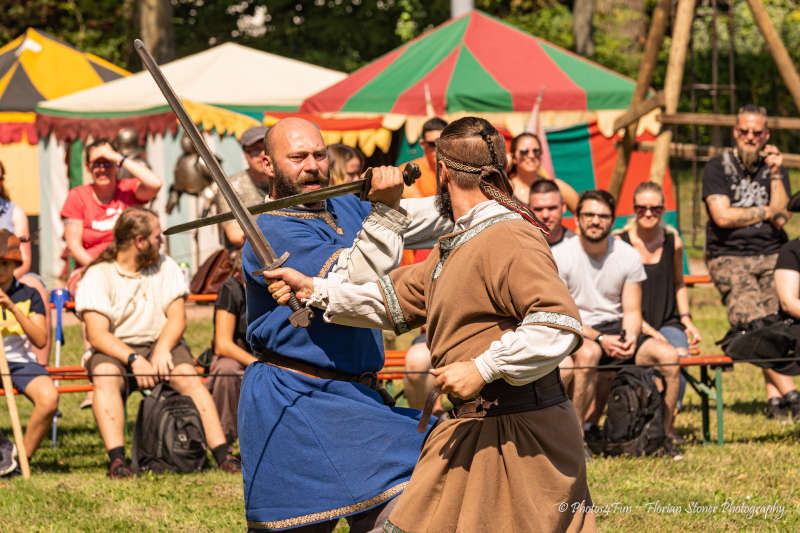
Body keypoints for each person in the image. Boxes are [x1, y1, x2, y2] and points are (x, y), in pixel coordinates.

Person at [265, 117, 594, 532]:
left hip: (525, 435)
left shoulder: (510, 236)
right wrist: (312, 288)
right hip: (470, 431)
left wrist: (482, 368)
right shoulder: (458, 243)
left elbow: (558, 323)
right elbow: (391, 300)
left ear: (441, 171)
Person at [237, 117, 451, 532]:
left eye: (319, 154)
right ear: (267, 163)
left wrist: (476, 194)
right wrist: (386, 209)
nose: (313, 165)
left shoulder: (347, 205)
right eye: (298, 157)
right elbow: (354, 278)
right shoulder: (269, 229)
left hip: (355, 399)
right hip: (295, 398)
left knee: (416, 494)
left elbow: (423, 219)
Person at [74, 207, 240, 478]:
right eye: (156, 237)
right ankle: (117, 461)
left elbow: (177, 318)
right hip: (116, 349)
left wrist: (162, 349)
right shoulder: (98, 274)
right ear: (140, 242)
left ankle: (223, 455)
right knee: (105, 375)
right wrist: (134, 359)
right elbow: (98, 334)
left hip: (161, 342)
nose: (161, 241)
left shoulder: (166, 266)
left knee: (187, 376)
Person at [552, 190, 681, 443]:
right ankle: (577, 439)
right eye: (589, 215)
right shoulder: (561, 256)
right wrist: (600, 339)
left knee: (669, 357)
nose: (595, 221)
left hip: (617, 329)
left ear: (613, 221)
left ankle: (663, 435)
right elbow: (564, 315)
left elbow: (632, 310)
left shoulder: (627, 255)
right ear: (577, 219)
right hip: (579, 329)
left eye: (603, 216)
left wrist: (631, 337)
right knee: (589, 354)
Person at [702, 104, 793, 419]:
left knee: (781, 323)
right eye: (745, 131)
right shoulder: (716, 167)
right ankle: (792, 393)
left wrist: (778, 174)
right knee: (755, 323)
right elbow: (722, 217)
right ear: (735, 133)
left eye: (757, 132)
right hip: (729, 255)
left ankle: (774, 400)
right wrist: (764, 212)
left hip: (772, 253)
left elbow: (781, 217)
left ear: (766, 135)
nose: (751, 137)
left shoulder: (775, 169)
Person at [617, 182, 702, 421]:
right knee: (658, 354)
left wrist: (687, 320)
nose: (648, 213)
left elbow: (678, 283)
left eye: (655, 208)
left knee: (679, 354)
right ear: (633, 209)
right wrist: (647, 330)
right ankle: (647, 418)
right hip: (632, 321)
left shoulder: (673, 242)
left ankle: (668, 420)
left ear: (663, 210)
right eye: (641, 207)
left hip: (668, 320)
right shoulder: (620, 244)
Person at [61, 137, 163, 287]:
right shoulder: (77, 196)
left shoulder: (128, 189)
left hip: (131, 267)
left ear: (116, 166)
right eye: (96, 163)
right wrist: (103, 270)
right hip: (90, 269)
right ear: (88, 167)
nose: (102, 169)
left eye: (107, 163)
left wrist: (117, 158)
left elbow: (155, 184)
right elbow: (74, 247)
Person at [0, 230, 57, 474]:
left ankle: (20, 458)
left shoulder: (29, 294)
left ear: (15, 264)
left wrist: (12, 308)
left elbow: (41, 339)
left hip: (21, 362)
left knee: (49, 398)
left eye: (4, 264)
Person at [0, 159, 52, 364]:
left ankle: (40, 367)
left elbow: (25, 258)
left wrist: (5, 281)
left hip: (11, 274)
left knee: (35, 286)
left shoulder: (15, 212)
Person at [204, 252, 254, 444]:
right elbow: (222, 345)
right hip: (236, 355)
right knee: (227, 371)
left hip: (265, 353)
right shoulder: (230, 289)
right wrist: (256, 363)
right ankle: (225, 439)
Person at [215, 125, 271, 248]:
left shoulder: (286, 181)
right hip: (247, 253)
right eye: (256, 150)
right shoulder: (231, 186)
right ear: (245, 153)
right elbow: (234, 234)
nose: (263, 155)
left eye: (267, 149)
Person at [508, 132, 579, 212]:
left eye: (536, 151)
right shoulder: (505, 187)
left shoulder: (557, 187)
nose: (531, 156)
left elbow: (582, 213)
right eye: (524, 152)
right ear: (513, 157)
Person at [402, 117, 447, 199]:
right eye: (432, 144)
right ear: (423, 144)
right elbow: (416, 206)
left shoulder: (452, 170)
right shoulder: (408, 170)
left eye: (441, 143)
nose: (437, 149)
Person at [529, 178, 575, 248]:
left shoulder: (580, 247)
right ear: (528, 209)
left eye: (552, 208)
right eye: (538, 209)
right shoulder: (520, 247)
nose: (545, 215)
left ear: (563, 207)